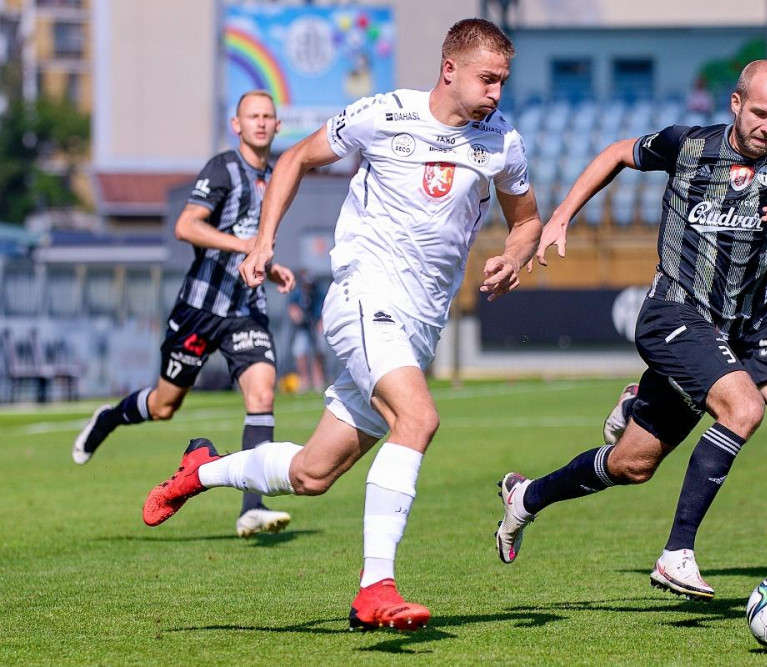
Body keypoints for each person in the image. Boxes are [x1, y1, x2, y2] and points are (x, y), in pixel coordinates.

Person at [141, 18, 541, 632]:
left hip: (420, 325)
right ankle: (375, 588)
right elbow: (296, 157)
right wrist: (264, 241)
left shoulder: (501, 140)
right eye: (487, 79)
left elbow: (527, 220)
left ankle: (203, 470)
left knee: (312, 473)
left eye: (502, 81)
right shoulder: (385, 113)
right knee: (418, 418)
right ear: (449, 69)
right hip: (364, 294)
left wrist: (514, 256)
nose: (496, 92)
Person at [495, 61, 767, 601]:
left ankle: (526, 498)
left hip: (728, 332)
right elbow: (617, 153)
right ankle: (676, 554)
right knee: (744, 408)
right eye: (759, 113)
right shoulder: (688, 146)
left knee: (631, 464)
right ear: (736, 104)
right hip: (673, 313)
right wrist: (563, 213)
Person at [601, 82, 767, 572]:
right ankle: (640, 408)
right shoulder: (751, 153)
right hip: (711, 311)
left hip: (763, 316)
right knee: (644, 457)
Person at [73, 91, 296, 538]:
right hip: (200, 308)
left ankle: (252, 508)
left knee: (262, 394)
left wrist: (268, 268)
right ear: (236, 125)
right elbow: (186, 225)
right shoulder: (223, 169)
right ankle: (109, 418)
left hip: (246, 311)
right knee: (164, 406)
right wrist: (248, 247)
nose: (260, 122)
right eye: (252, 115)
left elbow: (255, 242)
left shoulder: (276, 177)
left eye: (267, 116)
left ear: (277, 125)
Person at [287, 270, 326, 393]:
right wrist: (296, 315)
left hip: (315, 324)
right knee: (300, 352)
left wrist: (321, 322)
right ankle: (304, 380)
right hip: (302, 327)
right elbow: (292, 307)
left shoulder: (318, 292)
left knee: (318, 352)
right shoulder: (297, 293)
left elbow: (324, 307)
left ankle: (318, 380)